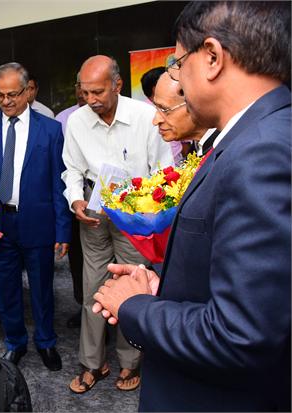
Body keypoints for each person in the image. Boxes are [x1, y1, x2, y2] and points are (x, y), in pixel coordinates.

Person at [93, 2, 290, 411]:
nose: (178, 77)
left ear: (213, 57)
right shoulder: (256, 136)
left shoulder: (262, 153)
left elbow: (239, 336)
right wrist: (164, 287)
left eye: (179, 63)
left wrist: (134, 306)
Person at [62, 55, 173, 393]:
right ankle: (92, 363)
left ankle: (130, 362)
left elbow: (162, 169)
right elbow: (72, 170)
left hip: (135, 210)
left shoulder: (144, 116)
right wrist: (75, 200)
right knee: (93, 286)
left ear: (117, 85)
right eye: (85, 92)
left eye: (97, 92)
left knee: (131, 285)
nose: (90, 99)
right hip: (93, 208)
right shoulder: (77, 121)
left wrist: (146, 210)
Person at [0, 62, 71, 371]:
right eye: (0, 95)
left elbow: (59, 182)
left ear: (27, 91)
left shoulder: (50, 129)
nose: (6, 101)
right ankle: (15, 342)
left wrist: (63, 231)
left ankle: (46, 342)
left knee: (42, 288)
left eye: (12, 94)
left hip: (37, 222)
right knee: (6, 287)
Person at [54, 72, 86, 328]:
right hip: (73, 199)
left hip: (108, 200)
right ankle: (83, 305)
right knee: (78, 259)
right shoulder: (63, 119)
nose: (86, 94)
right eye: (81, 87)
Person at [151, 72, 218, 153]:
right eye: (157, 108)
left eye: (164, 109)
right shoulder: (198, 149)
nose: (155, 121)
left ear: (195, 104)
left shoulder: (225, 151)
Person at [141, 66, 187, 164]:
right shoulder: (143, 111)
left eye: (165, 110)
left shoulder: (182, 104)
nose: (156, 121)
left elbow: (186, 143)